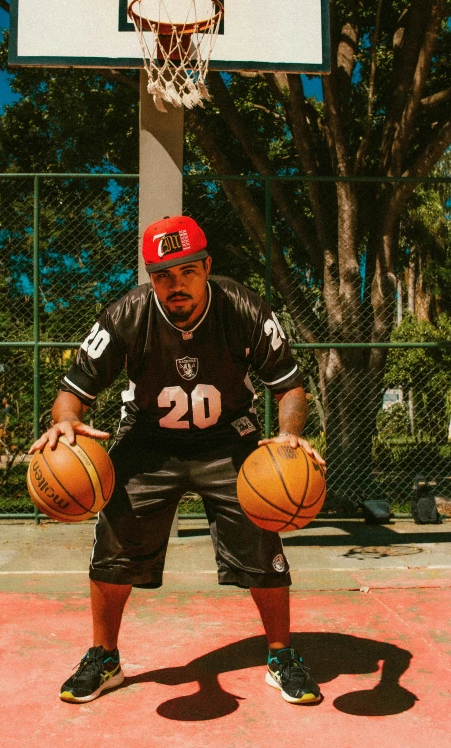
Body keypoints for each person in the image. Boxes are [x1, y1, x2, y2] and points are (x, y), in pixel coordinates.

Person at [30, 215, 326, 706]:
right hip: (148, 440)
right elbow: (72, 390)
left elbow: (290, 386)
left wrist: (287, 436)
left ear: (206, 267)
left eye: (187, 271)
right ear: (151, 278)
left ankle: (280, 655)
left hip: (228, 436)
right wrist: (65, 420)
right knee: (113, 548)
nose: (176, 285)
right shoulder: (126, 315)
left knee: (261, 540)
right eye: (163, 275)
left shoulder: (242, 307)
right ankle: (105, 657)